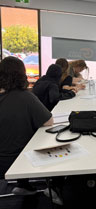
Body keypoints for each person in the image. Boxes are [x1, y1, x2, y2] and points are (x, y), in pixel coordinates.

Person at [0, 56, 53, 195]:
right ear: (21, 74)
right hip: (17, 160)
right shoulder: (25, 97)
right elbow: (48, 122)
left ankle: (23, 185)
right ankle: (55, 189)